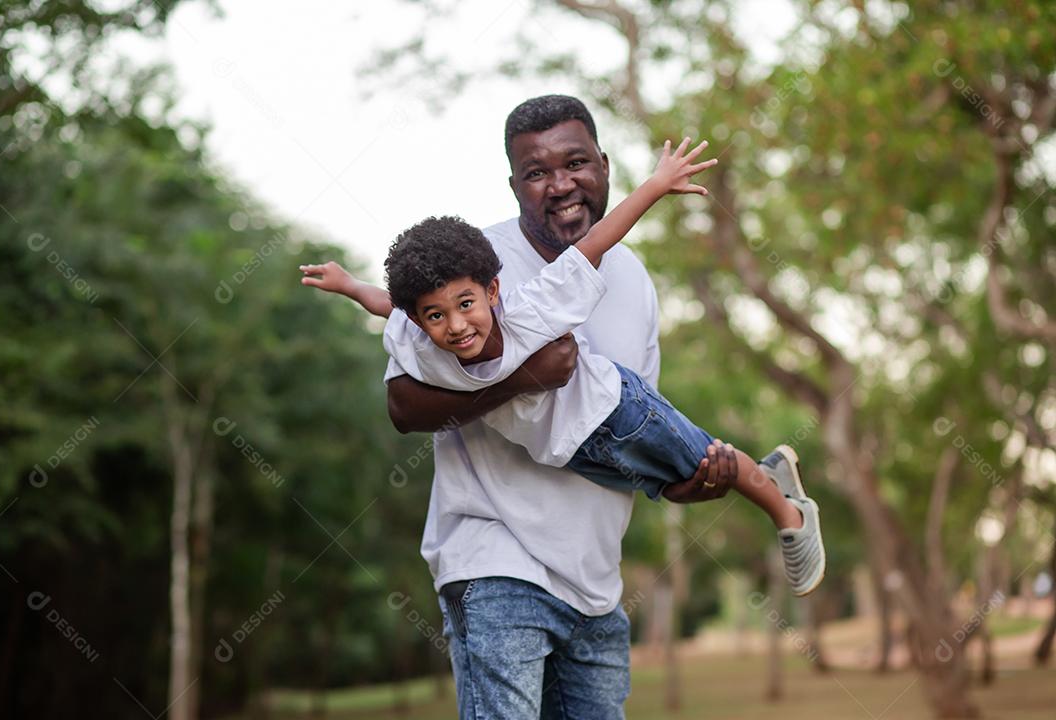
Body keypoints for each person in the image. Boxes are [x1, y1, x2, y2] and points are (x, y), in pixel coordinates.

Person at [304, 96, 747, 719]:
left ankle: (774, 493)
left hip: (594, 583)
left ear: (605, 166)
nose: (560, 185)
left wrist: (673, 484)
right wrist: (520, 379)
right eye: (537, 172)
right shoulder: (466, 266)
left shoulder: (634, 281)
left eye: (576, 163)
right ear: (514, 184)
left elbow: (621, 426)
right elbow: (403, 406)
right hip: (496, 561)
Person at [304, 134, 826, 594]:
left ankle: (786, 506)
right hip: (569, 449)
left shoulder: (530, 311)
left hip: (617, 410)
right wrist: (348, 285)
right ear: (420, 318)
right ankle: (765, 483)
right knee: (671, 480)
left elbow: (595, 244)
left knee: (701, 458)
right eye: (436, 315)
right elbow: (387, 305)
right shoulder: (419, 334)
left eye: (466, 305)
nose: (457, 326)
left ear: (491, 292)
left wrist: (655, 185)